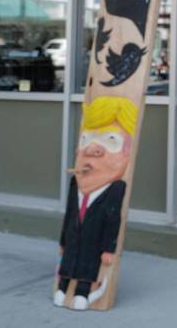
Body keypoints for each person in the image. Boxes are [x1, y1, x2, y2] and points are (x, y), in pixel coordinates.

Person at [54, 95, 137, 311]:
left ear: (127, 151)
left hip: (95, 243)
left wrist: (109, 249)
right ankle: (62, 289)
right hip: (73, 240)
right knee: (68, 261)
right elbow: (69, 214)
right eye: (86, 139)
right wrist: (63, 241)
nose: (91, 150)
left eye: (110, 140)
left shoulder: (115, 188)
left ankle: (83, 292)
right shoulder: (76, 183)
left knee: (89, 264)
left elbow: (113, 220)